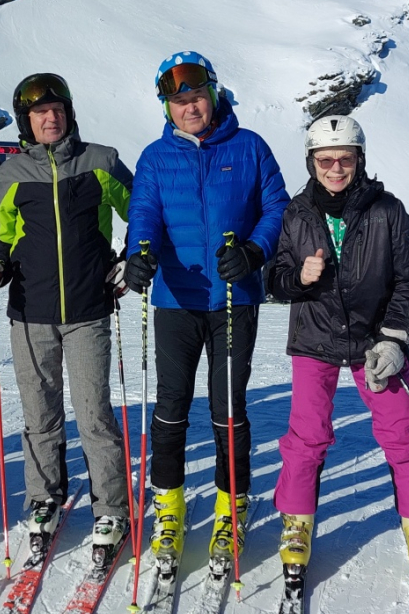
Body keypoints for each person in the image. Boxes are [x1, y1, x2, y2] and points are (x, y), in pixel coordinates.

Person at [123, 50, 289, 565]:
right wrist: (139, 254)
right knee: (171, 408)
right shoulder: (155, 156)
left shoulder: (249, 147)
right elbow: (144, 212)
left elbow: (276, 206)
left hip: (234, 300)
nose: (189, 106)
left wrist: (255, 251)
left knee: (228, 409)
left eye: (196, 96)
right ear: (168, 107)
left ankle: (230, 507)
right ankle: (168, 508)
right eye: (178, 100)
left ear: (213, 94)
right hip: (176, 299)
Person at [268, 114, 409, 578]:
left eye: (345, 159)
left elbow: (408, 281)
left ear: (359, 159)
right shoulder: (296, 212)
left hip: (373, 341)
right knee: (306, 436)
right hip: (314, 339)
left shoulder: (388, 210)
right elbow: (276, 280)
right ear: (312, 162)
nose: (336, 169)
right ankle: (297, 521)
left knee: (402, 434)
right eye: (326, 160)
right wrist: (297, 278)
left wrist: (394, 338)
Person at [0, 73, 132, 565]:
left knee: (94, 415)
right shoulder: (10, 173)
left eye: (58, 109)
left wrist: (132, 256)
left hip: (89, 309)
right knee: (40, 416)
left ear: (69, 113)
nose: (51, 118)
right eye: (40, 112)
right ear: (25, 121)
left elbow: (145, 212)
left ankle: (111, 507)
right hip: (31, 313)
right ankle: (44, 498)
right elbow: (2, 236)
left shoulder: (101, 161)